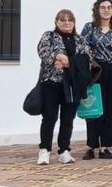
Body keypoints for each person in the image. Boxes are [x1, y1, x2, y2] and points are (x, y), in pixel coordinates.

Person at [35, 10, 92, 165]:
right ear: (56, 21)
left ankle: (64, 150)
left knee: (68, 119)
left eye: (70, 20)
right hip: (52, 83)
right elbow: (43, 52)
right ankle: (44, 150)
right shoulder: (49, 36)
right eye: (63, 20)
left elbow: (87, 58)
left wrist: (67, 61)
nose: (67, 23)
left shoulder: (80, 39)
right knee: (49, 117)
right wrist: (56, 57)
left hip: (73, 85)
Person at [81, 0, 112, 160]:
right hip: (96, 70)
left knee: (111, 109)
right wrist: (86, 74)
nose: (106, 10)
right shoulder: (89, 28)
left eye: (109, 7)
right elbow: (83, 49)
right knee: (93, 109)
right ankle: (90, 146)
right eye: (103, 7)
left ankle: (105, 147)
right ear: (97, 10)